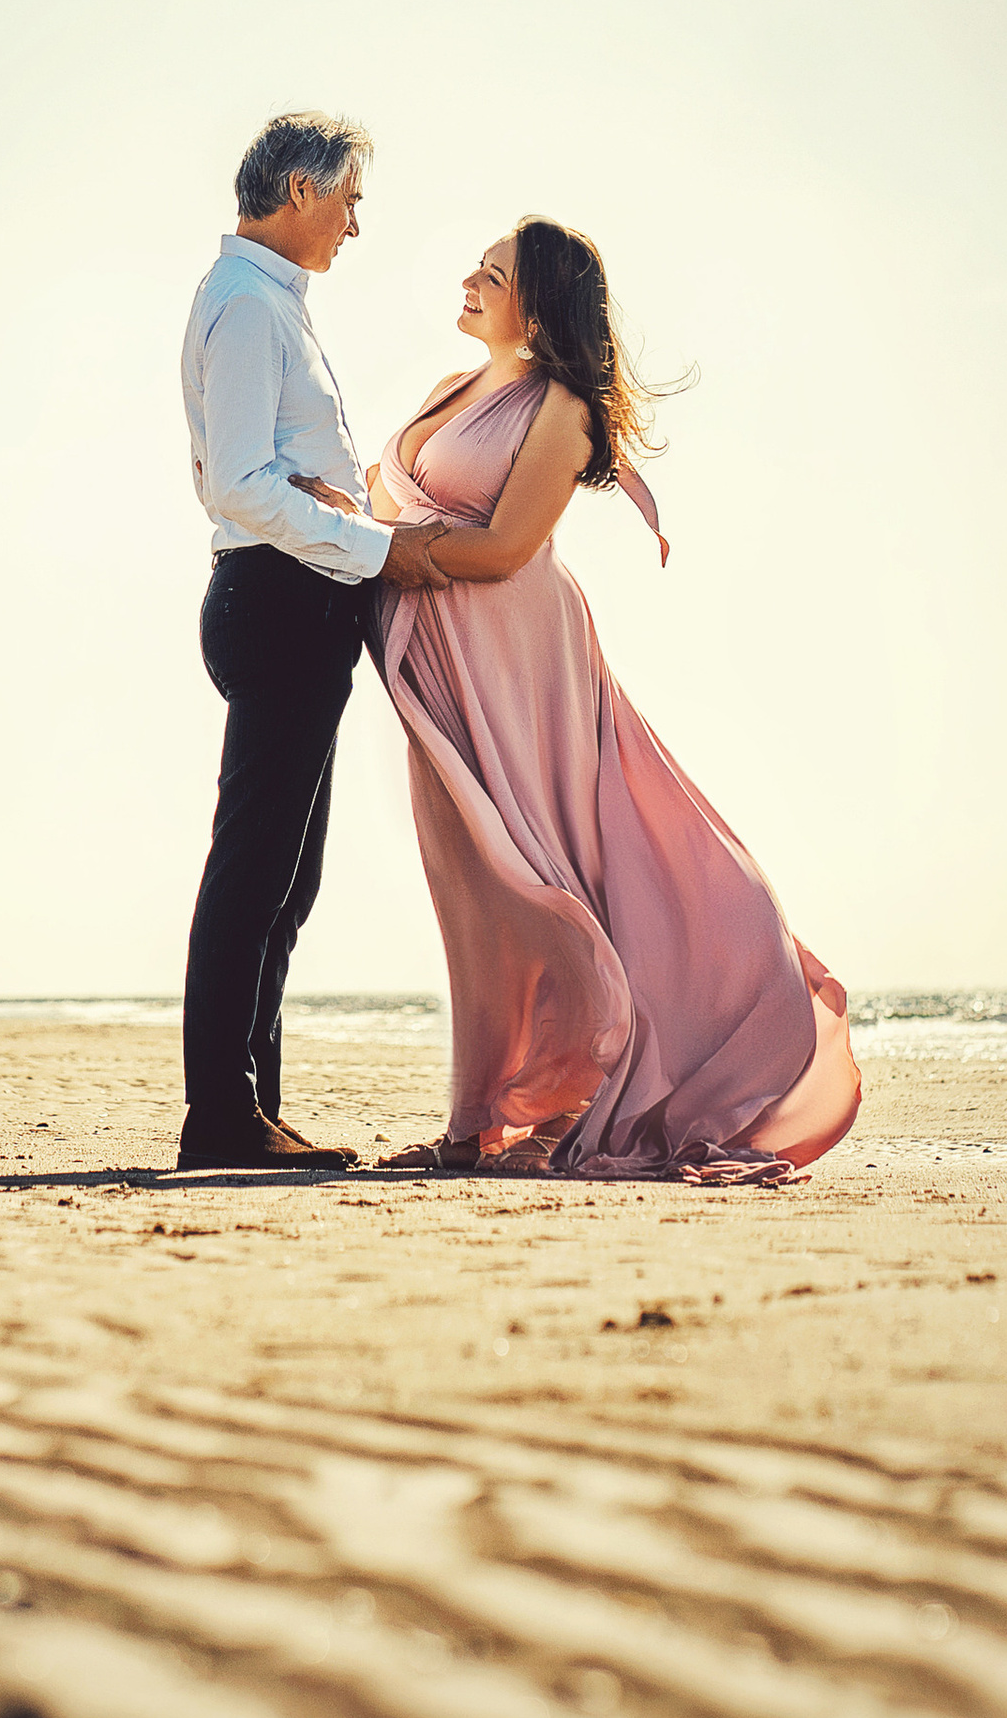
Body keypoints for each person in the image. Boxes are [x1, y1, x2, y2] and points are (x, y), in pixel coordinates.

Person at [345, 218, 860, 1182]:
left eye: (492, 275)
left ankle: (580, 1093)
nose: (468, 281)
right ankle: (475, 1123)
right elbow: (391, 503)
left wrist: (381, 551)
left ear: (538, 309)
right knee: (469, 885)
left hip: (518, 658)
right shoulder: (451, 387)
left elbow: (504, 548)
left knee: (541, 867)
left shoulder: (563, 408)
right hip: (438, 656)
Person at [178, 111, 448, 1173]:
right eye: (348, 201)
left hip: (290, 598)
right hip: (279, 601)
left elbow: (243, 473)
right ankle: (220, 1117)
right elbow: (241, 486)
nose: (354, 224)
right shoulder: (249, 305)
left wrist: (340, 511)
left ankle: (253, 1108)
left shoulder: (263, 300)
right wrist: (380, 547)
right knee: (255, 874)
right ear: (300, 188)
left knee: (286, 883)